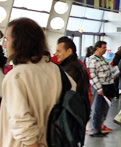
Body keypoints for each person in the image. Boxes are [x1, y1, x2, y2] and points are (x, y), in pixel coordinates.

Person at [0, 18, 77, 147]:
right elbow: (72, 99)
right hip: (54, 141)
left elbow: (21, 121)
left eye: (7, 40)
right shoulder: (57, 71)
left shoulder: (16, 76)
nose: (4, 45)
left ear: (20, 43)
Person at [87, 40, 116, 137]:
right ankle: (93, 129)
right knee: (96, 108)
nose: (105, 49)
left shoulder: (103, 59)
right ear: (97, 48)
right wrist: (99, 89)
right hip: (99, 87)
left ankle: (99, 128)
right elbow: (93, 75)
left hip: (107, 86)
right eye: (103, 47)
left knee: (104, 108)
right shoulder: (92, 60)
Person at [55, 36, 91, 108]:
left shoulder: (71, 69)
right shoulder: (78, 65)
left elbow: (66, 92)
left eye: (58, 51)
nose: (56, 54)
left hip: (72, 110)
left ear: (69, 51)